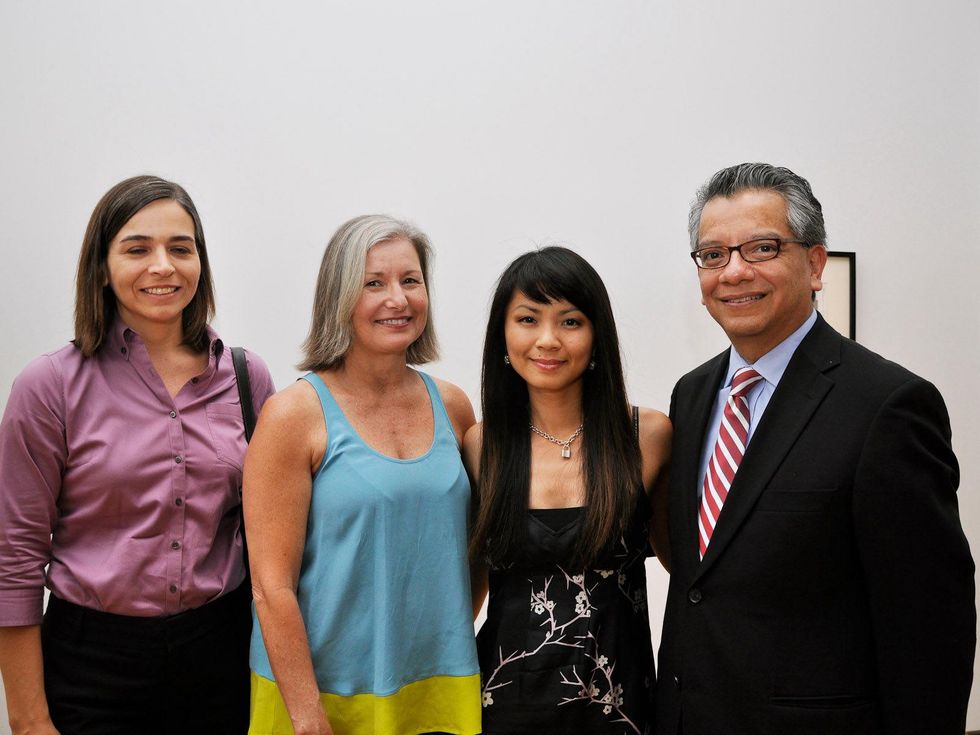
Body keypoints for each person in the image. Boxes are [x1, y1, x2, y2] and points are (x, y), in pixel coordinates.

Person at [654, 162, 975, 735]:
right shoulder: (692, 394)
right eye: (713, 255)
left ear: (816, 263)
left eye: (762, 248)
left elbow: (929, 624)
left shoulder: (887, 405)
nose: (734, 271)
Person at [0, 175, 275, 734]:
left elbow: (279, 536)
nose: (163, 266)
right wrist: (29, 721)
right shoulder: (50, 386)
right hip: (91, 667)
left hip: (220, 657)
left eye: (181, 248)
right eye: (137, 249)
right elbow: (15, 558)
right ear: (102, 268)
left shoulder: (248, 379)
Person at [244, 214, 481, 735]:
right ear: (339, 296)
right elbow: (270, 587)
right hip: (320, 698)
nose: (398, 299)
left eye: (410, 280)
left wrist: (445, 635)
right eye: (374, 283)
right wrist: (307, 717)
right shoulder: (292, 416)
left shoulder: (454, 407)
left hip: (437, 688)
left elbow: (474, 550)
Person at [466, 246, 672, 735]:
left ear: (598, 335)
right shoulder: (481, 445)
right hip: (505, 707)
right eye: (527, 319)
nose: (547, 340)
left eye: (570, 322)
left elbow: (686, 572)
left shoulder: (648, 436)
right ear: (503, 334)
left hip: (619, 706)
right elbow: (468, 591)